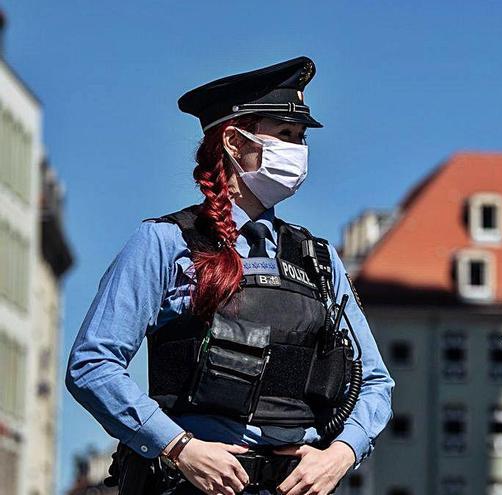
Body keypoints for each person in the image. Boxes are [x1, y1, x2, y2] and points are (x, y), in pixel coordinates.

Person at [66, 57, 394, 495]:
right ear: (234, 142)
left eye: (300, 138)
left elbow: (375, 381)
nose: (297, 150)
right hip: (192, 484)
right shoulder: (165, 242)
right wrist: (178, 447)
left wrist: (341, 454)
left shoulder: (318, 258)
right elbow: (93, 364)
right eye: (283, 135)